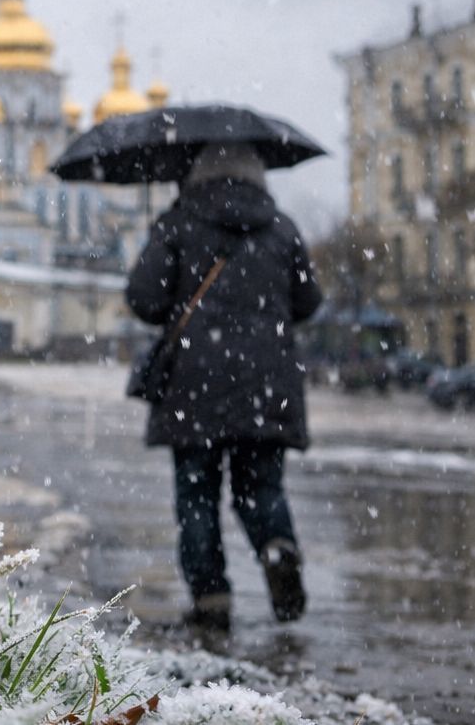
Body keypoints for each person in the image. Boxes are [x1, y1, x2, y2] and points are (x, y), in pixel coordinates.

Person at [125, 143, 322, 632]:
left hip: (195, 381)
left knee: (197, 496)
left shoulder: (178, 223)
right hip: (267, 381)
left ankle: (211, 598)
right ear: (258, 174)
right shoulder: (281, 227)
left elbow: (145, 300)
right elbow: (308, 302)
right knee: (262, 488)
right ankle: (277, 546)